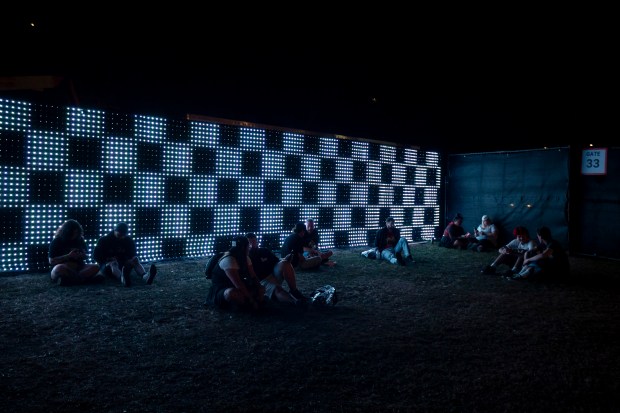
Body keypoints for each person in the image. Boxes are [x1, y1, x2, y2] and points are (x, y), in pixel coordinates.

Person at [205, 235, 265, 311]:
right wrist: (251, 300)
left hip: (239, 285)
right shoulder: (229, 260)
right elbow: (238, 284)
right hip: (222, 288)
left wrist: (259, 288)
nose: (249, 248)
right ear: (243, 247)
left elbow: (253, 276)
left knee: (260, 288)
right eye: (248, 246)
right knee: (232, 293)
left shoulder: (246, 258)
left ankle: (245, 303)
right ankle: (242, 305)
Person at [246, 233, 306, 304]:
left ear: (257, 241)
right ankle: (294, 302)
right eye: (250, 243)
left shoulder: (264, 251)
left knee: (285, 263)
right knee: (278, 289)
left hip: (273, 273)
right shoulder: (246, 257)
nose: (252, 244)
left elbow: (277, 261)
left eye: (254, 241)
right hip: (262, 280)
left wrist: (285, 259)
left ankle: (294, 290)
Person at [93, 222, 157, 287]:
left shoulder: (128, 240)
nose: (122, 237)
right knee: (113, 264)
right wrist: (108, 259)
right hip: (108, 266)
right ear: (115, 230)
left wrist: (131, 258)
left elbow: (132, 253)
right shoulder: (103, 240)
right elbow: (96, 256)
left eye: (123, 235)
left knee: (135, 260)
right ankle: (122, 278)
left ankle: (145, 276)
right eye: (119, 235)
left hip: (123, 264)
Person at [48, 219, 102, 285]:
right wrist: (68, 256)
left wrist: (82, 255)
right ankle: (85, 279)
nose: (75, 235)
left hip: (79, 267)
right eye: (73, 232)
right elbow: (51, 261)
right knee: (59, 268)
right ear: (67, 232)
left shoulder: (80, 240)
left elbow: (86, 256)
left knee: (96, 267)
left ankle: (71, 280)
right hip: (65, 267)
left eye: (76, 232)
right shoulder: (57, 241)